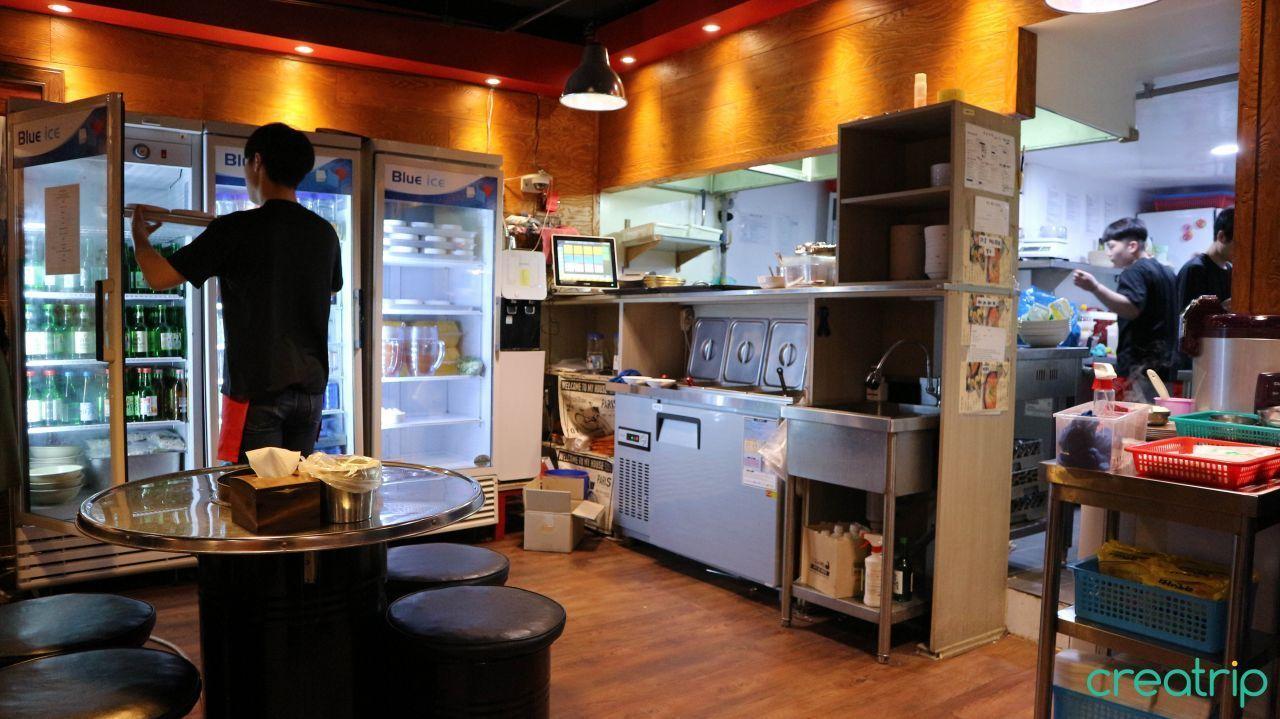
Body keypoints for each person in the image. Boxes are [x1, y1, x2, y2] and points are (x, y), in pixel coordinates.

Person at [130, 123, 341, 463]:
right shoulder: (324, 233)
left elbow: (158, 277)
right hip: (310, 395)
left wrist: (140, 238)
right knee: (296, 487)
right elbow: (328, 287)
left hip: (258, 393)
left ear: (257, 162)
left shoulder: (235, 228)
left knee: (254, 491)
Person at [1072, 217, 1178, 403]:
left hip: (1140, 368)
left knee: (1137, 418)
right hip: (1165, 367)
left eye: (1111, 246)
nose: (1108, 253)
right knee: (1159, 417)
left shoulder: (1134, 271)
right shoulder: (1166, 272)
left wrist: (1094, 287)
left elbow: (1131, 308)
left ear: (1132, 246)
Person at [1176, 206, 1233, 312]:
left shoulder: (1230, 270)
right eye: (1240, 245)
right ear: (1221, 237)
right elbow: (1185, 317)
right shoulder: (1195, 269)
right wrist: (1222, 308)